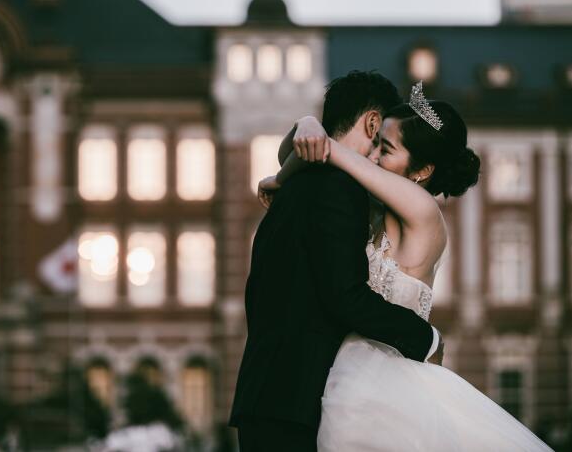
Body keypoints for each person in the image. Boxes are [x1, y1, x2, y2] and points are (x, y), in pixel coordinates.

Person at [262, 80, 552, 451]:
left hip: (385, 379)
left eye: (387, 148)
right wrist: (304, 125)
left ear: (422, 170)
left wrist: (285, 168)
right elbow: (308, 149)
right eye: (376, 143)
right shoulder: (379, 206)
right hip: (351, 372)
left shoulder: (423, 210)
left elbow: (331, 152)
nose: (373, 155)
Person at [228, 71, 442, 452]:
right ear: (373, 122)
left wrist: (299, 141)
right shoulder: (337, 190)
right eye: (382, 143)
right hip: (293, 403)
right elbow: (345, 296)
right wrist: (425, 338)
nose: (378, 157)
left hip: (269, 394)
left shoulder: (298, 187)